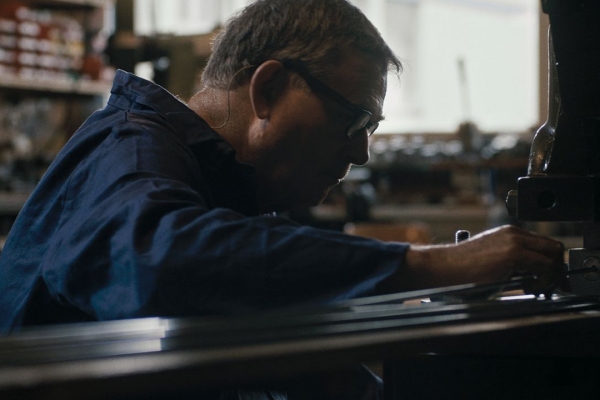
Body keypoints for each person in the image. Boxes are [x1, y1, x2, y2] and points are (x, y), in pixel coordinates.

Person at [0, 0, 564, 398]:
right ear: (267, 89)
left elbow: (224, 302)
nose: (362, 152)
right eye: (354, 121)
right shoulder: (131, 147)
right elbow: (158, 265)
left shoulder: (217, 185)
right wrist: (432, 265)